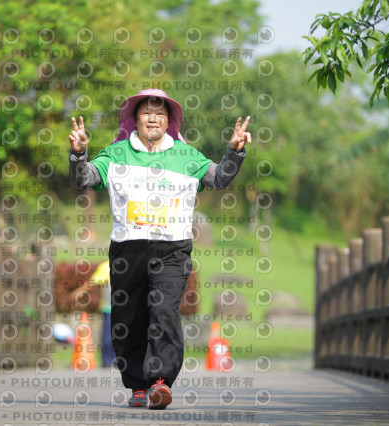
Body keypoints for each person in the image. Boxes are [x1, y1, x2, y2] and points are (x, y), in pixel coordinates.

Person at [68, 88, 251, 410]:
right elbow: (84, 179)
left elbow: (219, 178)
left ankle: (161, 381)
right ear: (135, 119)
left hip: (172, 250)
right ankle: (137, 385)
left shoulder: (186, 156)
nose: (153, 118)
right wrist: (78, 153)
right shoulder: (116, 155)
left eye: (161, 114)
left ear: (169, 121)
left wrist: (234, 152)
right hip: (127, 250)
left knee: (163, 310)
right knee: (130, 316)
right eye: (147, 113)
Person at [89, 260, 116, 368]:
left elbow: (92, 283)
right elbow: (94, 282)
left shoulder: (107, 265)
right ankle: (108, 361)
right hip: (108, 307)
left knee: (110, 335)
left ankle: (111, 361)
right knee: (109, 336)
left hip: (118, 308)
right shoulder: (106, 266)